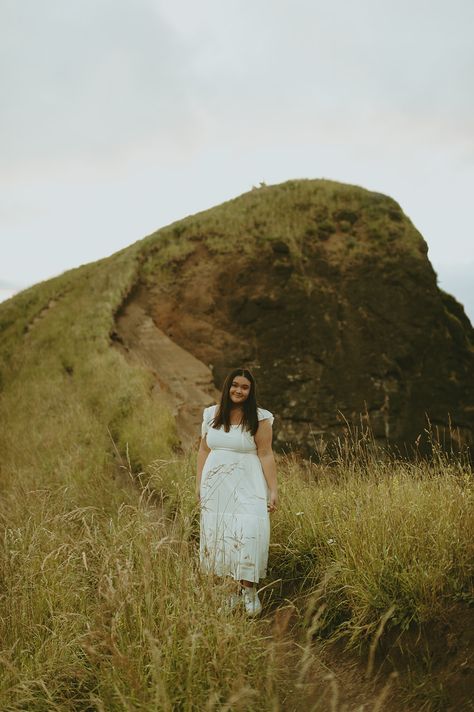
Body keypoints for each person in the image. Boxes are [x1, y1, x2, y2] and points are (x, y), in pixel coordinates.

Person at [196, 367, 278, 616]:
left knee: (250, 532)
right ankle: (231, 592)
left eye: (244, 387)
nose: (238, 390)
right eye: (235, 385)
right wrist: (199, 484)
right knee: (220, 536)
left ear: (250, 391)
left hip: (249, 485)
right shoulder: (211, 414)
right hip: (216, 486)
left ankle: (249, 591)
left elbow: (265, 453)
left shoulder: (260, 418)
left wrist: (273, 490)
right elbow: (203, 450)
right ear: (227, 386)